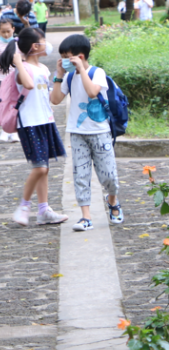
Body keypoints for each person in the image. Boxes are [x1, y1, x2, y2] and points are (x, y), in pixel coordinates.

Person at [51, 34, 123, 230]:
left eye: (66, 57)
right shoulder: (68, 76)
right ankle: (86, 217)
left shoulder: (97, 72)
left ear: (80, 56)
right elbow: (55, 99)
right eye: (62, 57)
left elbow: (92, 92)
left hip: (100, 131)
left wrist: (82, 70)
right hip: (77, 132)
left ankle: (112, 200)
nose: (64, 61)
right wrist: (59, 75)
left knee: (109, 175)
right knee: (81, 175)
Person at [2, 27, 68, 227]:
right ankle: (24, 206)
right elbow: (29, 85)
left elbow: (49, 96)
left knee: (44, 168)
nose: (46, 44)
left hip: (45, 120)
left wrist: (59, 74)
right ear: (35, 46)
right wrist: (18, 62)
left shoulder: (44, 69)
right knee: (40, 167)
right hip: (29, 122)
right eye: (43, 40)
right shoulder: (22, 69)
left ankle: (43, 210)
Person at [0, 20, 19, 143]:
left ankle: (14, 130)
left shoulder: (18, 44)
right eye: (3, 32)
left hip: (16, 78)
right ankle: (5, 129)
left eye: (8, 31)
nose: (6, 34)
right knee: (4, 104)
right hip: (2, 79)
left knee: (15, 104)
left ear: (13, 29)